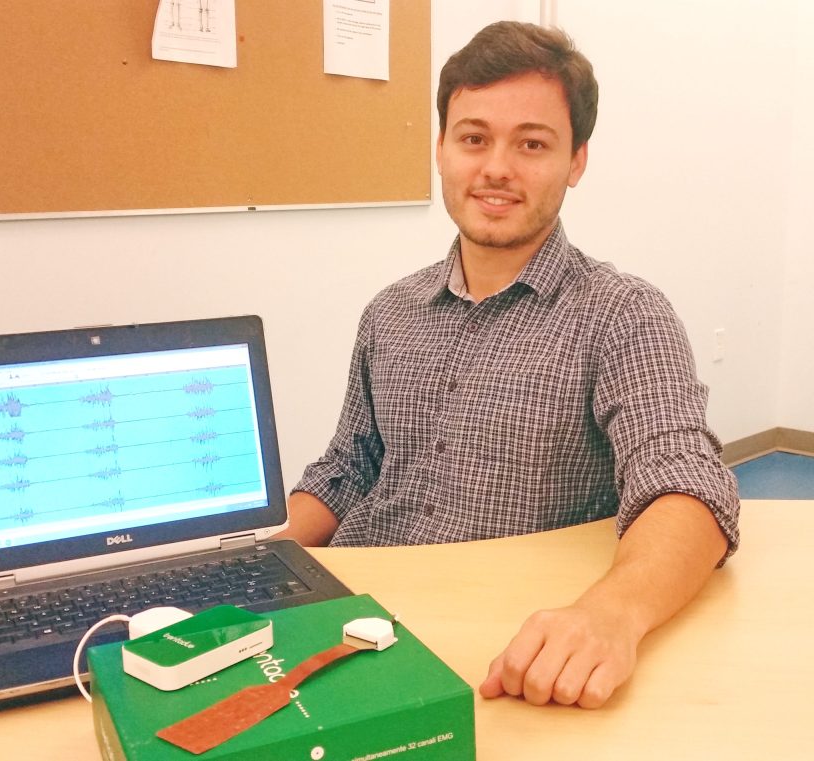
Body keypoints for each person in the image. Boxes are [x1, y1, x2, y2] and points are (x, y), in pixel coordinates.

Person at [279, 21, 740, 709]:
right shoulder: (390, 311)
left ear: (576, 160)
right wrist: (255, 558)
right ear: (441, 149)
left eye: (532, 144)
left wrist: (612, 615)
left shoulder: (622, 314)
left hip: (493, 643)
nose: (496, 167)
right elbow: (349, 467)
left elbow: (687, 486)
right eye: (474, 138)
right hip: (352, 615)